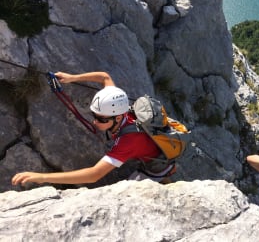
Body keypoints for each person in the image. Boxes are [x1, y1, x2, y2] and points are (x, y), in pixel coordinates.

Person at [12, 71, 175, 187]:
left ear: (118, 117)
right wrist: (73, 78)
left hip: (156, 165)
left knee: (128, 192)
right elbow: (105, 77)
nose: (95, 122)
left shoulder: (128, 142)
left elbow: (93, 175)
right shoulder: (118, 104)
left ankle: (164, 179)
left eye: (100, 119)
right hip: (152, 148)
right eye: (94, 115)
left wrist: (42, 177)